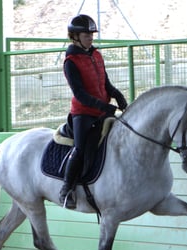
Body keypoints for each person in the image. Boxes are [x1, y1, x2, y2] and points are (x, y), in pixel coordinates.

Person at [59, 14, 128, 209]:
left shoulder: (96, 55)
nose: (90, 37)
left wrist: (117, 95)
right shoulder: (71, 61)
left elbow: (106, 83)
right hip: (83, 113)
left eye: (91, 34)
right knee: (80, 149)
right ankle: (67, 189)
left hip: (102, 111)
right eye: (86, 34)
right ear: (75, 36)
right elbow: (79, 94)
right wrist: (104, 106)